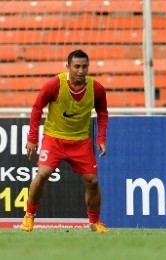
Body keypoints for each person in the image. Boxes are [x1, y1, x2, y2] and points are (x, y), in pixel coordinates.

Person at [21, 49, 109, 233]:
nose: (81, 70)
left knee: (92, 181)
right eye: (76, 66)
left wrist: (101, 138)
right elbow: (37, 108)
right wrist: (32, 138)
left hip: (80, 141)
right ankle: (29, 216)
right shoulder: (55, 84)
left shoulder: (96, 88)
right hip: (55, 139)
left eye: (85, 66)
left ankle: (94, 221)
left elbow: (102, 113)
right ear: (68, 66)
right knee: (43, 174)